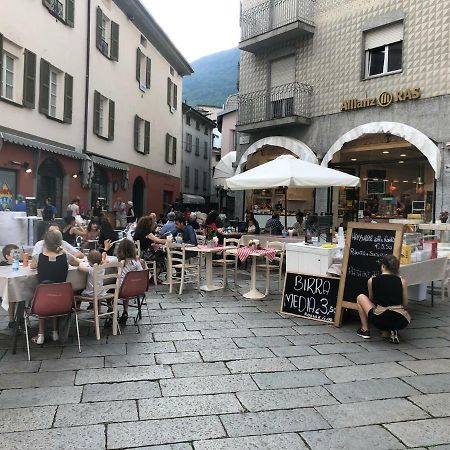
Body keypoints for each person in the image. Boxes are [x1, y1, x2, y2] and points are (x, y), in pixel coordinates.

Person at [30, 230, 80, 344]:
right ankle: (55, 332)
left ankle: (41, 334)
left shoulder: (39, 257)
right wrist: (63, 250)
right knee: (53, 297)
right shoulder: (66, 256)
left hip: (42, 301)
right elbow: (77, 262)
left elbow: (32, 266)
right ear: (60, 243)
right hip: (62, 300)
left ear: (45, 243)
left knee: (43, 296)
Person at [356, 255, 411, 344]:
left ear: (383, 266)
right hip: (400, 320)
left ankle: (365, 329)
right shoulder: (402, 281)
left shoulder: (372, 280)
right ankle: (392, 330)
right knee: (395, 310)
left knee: (360, 297)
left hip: (380, 319)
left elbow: (371, 299)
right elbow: (405, 303)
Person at [116, 239, 143, 324]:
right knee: (127, 285)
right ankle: (125, 311)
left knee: (108, 288)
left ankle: (111, 311)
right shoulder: (136, 262)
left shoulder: (117, 262)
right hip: (135, 289)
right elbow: (141, 273)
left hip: (121, 290)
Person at [0, 244, 20, 329]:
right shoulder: (2, 265)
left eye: (18, 253)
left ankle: (21, 318)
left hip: (18, 287)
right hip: (6, 289)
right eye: (15, 253)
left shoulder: (21, 263)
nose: (17, 255)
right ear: (7, 256)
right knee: (11, 299)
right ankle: (11, 320)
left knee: (21, 297)